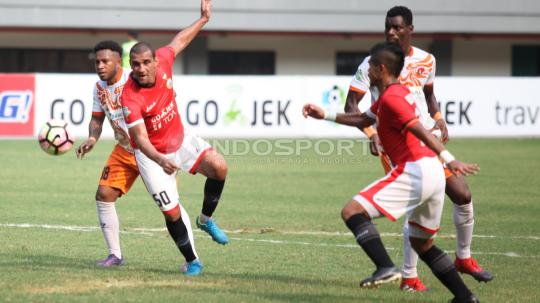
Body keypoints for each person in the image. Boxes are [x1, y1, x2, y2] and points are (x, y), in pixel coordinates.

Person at [304, 42, 480, 303]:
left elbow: (419, 129)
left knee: (352, 211)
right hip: (431, 173)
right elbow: (364, 119)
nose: (368, 70)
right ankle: (465, 297)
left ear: (381, 69)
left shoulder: (394, 98)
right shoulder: (391, 94)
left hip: (416, 170)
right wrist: (326, 114)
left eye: (372, 66)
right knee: (423, 245)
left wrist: (449, 159)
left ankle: (386, 267)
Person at [344, 6, 492, 291]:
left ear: (410, 29)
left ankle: (464, 258)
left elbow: (429, 96)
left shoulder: (427, 60)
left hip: (426, 138)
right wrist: (371, 134)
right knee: (416, 207)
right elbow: (352, 107)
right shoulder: (371, 63)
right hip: (397, 145)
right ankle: (409, 276)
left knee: (462, 193)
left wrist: (438, 119)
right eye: (388, 26)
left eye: (397, 27)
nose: (391, 32)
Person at [120, 0, 228, 277]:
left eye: (146, 62)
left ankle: (205, 220)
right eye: (135, 65)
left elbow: (180, 40)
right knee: (170, 211)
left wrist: (203, 19)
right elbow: (140, 138)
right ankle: (192, 260)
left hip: (181, 138)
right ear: (130, 66)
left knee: (220, 167)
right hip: (151, 155)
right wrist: (160, 159)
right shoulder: (129, 97)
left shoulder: (165, 60)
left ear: (156, 61)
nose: (141, 69)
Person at [76, 40, 135, 267]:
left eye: (105, 61)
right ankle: (115, 255)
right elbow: (97, 118)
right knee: (104, 194)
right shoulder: (99, 87)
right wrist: (92, 138)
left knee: (168, 207)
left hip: (151, 150)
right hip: (123, 149)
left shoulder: (134, 80)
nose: (100, 66)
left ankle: (192, 259)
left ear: (119, 61)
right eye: (97, 61)